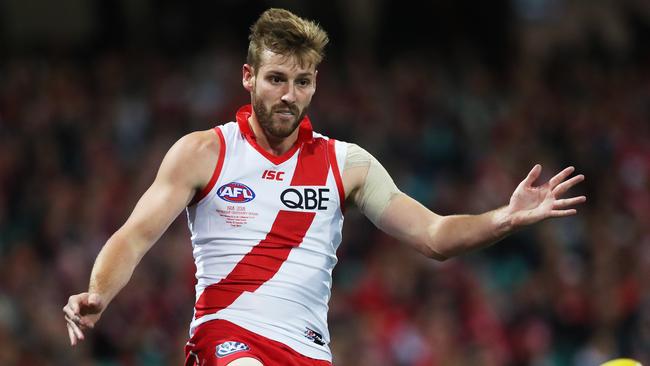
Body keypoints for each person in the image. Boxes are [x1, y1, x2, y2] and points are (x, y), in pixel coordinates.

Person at [63, 8, 586, 366]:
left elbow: (434, 235)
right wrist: (99, 291)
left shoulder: (348, 165)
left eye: (303, 82)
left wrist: (505, 218)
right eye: (276, 79)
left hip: (309, 352)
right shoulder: (204, 152)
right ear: (248, 77)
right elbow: (134, 236)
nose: (289, 95)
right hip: (227, 338)